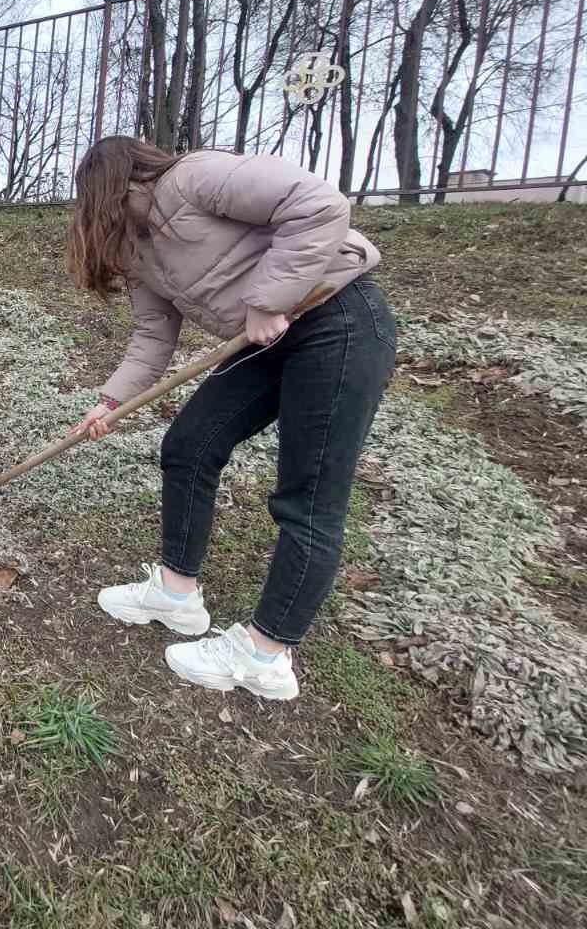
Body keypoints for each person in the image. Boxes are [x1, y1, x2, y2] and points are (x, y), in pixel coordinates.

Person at [67, 137, 395, 701]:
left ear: (112, 188)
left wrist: (268, 300)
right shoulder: (139, 250)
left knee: (308, 496)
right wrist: (111, 402)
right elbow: (152, 336)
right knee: (189, 445)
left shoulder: (195, 177)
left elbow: (318, 204)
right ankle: (176, 594)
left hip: (336, 319)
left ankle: (265, 655)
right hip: (267, 341)